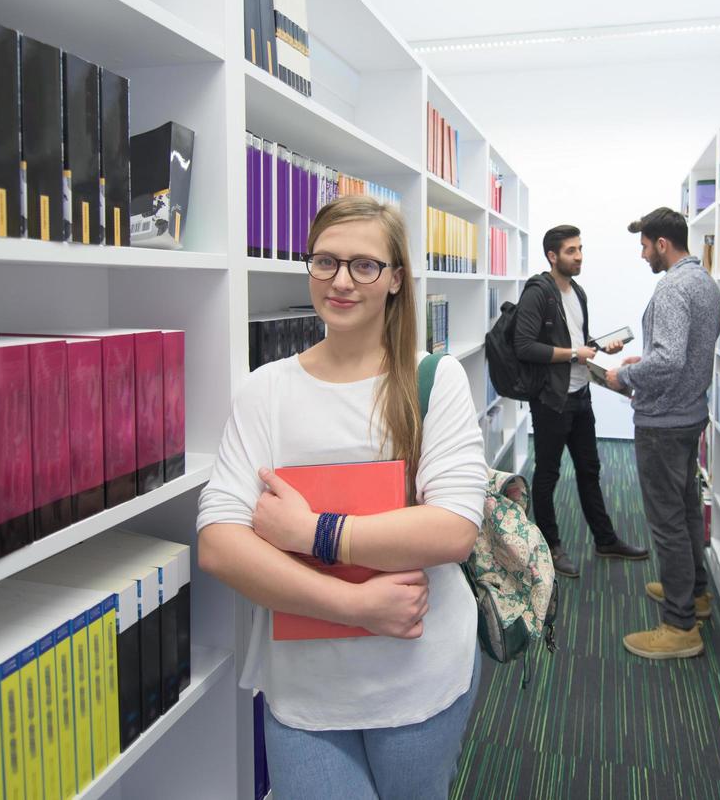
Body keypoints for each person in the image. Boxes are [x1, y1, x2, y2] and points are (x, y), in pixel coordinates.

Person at [196, 195, 488, 799]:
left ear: (396, 279)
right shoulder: (265, 391)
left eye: (365, 265)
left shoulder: (435, 379)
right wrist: (354, 606)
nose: (341, 281)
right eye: (324, 262)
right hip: (305, 687)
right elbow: (219, 545)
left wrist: (311, 533)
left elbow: (453, 529)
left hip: (418, 670)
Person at [605, 207, 720, 659]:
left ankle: (680, 627)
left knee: (667, 522)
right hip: (690, 413)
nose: (641, 255)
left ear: (661, 243)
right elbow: (685, 354)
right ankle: (694, 593)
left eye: (644, 245)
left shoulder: (672, 287)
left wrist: (626, 378)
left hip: (663, 422)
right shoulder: (706, 283)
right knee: (687, 510)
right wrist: (645, 362)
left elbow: (671, 359)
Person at [512, 224, 648, 577]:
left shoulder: (578, 292)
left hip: (580, 395)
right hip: (551, 400)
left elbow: (577, 339)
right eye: (571, 251)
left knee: (590, 470)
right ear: (552, 256)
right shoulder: (537, 293)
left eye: (581, 249)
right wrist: (575, 352)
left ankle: (605, 539)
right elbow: (524, 346)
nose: (579, 257)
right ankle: (549, 547)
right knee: (548, 474)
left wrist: (600, 346)